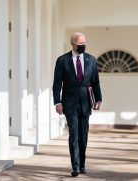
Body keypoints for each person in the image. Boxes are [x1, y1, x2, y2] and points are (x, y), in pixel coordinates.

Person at [52, 32, 102, 177]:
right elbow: (57, 83)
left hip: (86, 103)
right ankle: (75, 167)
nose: (83, 46)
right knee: (73, 134)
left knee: (83, 135)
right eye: (80, 44)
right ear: (73, 44)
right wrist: (57, 102)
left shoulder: (91, 60)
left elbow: (95, 82)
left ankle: (82, 164)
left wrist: (98, 99)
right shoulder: (62, 60)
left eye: (84, 43)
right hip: (69, 103)